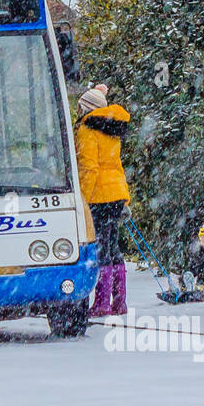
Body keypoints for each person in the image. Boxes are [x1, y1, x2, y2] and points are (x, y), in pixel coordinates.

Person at [74, 83, 131, 316]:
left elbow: (89, 167)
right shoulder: (111, 129)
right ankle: (119, 301)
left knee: (101, 249)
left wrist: (82, 199)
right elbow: (116, 165)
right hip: (116, 194)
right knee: (113, 247)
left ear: (85, 108)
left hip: (98, 195)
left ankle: (101, 304)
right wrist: (125, 197)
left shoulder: (87, 129)